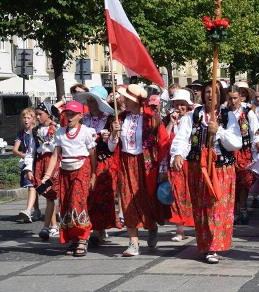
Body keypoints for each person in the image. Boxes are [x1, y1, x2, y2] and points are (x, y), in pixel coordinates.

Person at [170, 81, 242, 264]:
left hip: (220, 169)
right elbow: (183, 137)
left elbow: (236, 143)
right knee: (202, 208)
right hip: (198, 168)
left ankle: (213, 247)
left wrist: (219, 131)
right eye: (208, 92)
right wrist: (178, 154)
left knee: (216, 207)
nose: (211, 95)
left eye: (215, 92)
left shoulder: (228, 116)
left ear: (221, 95)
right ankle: (205, 243)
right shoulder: (195, 115)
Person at [109, 84, 171, 257]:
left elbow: (163, 143)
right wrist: (114, 134)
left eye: (125, 98)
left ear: (135, 101)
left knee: (147, 200)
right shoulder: (119, 119)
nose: (121, 100)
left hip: (146, 166)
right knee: (128, 201)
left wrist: (163, 168)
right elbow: (111, 147)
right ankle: (133, 243)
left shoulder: (152, 119)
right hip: (126, 163)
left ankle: (151, 226)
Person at [40, 101, 97, 257]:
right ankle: (73, 238)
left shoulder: (86, 132)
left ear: (80, 115)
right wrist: (46, 176)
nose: (69, 117)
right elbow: (55, 155)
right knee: (65, 204)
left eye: (73, 114)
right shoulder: (60, 133)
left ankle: (83, 238)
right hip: (65, 169)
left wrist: (93, 174)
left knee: (77, 202)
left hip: (82, 168)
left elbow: (92, 154)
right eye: (67, 114)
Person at [73, 86, 120, 246]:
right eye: (89, 100)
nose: (90, 103)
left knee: (103, 195)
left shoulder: (110, 119)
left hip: (105, 161)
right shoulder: (83, 119)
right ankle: (90, 228)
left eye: (93, 100)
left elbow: (114, 145)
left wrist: (111, 135)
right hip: (87, 160)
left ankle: (99, 230)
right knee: (89, 196)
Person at [21, 102, 61, 240]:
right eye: (36, 114)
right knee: (48, 193)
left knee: (53, 192)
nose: (37, 116)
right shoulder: (34, 131)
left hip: (55, 161)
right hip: (41, 161)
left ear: (48, 114)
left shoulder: (58, 128)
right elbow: (31, 150)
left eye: (40, 114)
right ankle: (53, 226)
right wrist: (28, 168)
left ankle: (53, 225)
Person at [227, 85, 259, 224]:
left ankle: (242, 208)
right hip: (228, 152)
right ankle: (234, 209)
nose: (233, 101)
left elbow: (256, 131)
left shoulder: (248, 112)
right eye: (230, 98)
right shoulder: (223, 112)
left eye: (235, 98)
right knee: (230, 181)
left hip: (244, 151)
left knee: (244, 180)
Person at [163, 89, 196, 241]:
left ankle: (194, 224)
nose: (179, 107)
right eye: (177, 104)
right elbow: (164, 140)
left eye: (182, 104)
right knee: (175, 194)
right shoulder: (170, 120)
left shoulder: (193, 119)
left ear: (188, 105)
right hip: (173, 163)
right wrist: (171, 122)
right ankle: (179, 229)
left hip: (189, 162)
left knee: (190, 194)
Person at [13, 108, 40, 222]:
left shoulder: (37, 131)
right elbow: (15, 149)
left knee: (36, 187)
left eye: (29, 117)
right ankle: (30, 210)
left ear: (34, 120)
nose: (26, 120)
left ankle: (36, 210)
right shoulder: (21, 133)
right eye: (24, 117)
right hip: (28, 161)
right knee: (31, 186)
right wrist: (24, 155)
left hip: (38, 161)